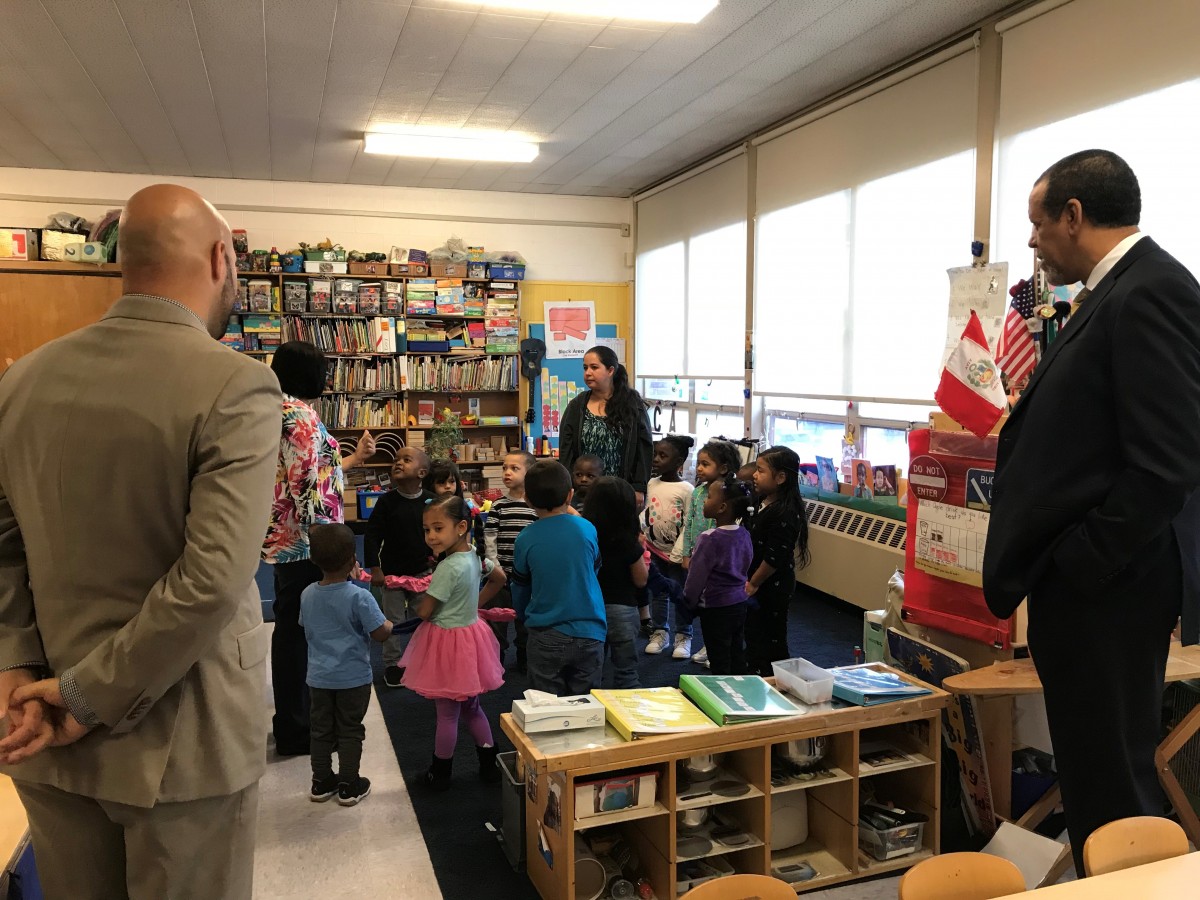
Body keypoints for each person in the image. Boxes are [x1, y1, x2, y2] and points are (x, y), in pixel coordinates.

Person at [0, 184, 280, 899]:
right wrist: (85, 696)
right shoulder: (237, 385)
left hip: (41, 729)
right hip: (185, 744)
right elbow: (213, 579)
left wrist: (15, 666)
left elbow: (3, 547)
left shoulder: (20, 383)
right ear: (221, 258)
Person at [983, 149, 1200, 874]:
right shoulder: (1114, 292)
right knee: (1091, 769)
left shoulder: (1152, 291)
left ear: (1075, 216)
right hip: (1094, 583)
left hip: (1110, 586)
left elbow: (1169, 459)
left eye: (1039, 225)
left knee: (1111, 779)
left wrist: (1081, 562)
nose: (1035, 242)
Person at [262, 340, 376, 757]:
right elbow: (310, 488)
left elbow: (315, 474)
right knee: (299, 636)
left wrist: (350, 462)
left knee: (292, 630)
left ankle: (294, 723)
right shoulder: (301, 417)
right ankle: (297, 728)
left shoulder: (279, 410)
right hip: (308, 545)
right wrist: (334, 549)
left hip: (288, 539)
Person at [400, 496, 506, 790]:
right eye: (426, 530)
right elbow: (499, 578)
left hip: (447, 644)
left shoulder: (448, 568)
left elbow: (425, 610)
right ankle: (489, 764)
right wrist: (475, 604)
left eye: (437, 528)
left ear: (461, 527)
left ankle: (440, 772)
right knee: (472, 707)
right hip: (471, 638)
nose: (431, 536)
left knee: (446, 714)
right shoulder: (475, 555)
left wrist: (417, 600)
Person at [300, 524, 392, 806]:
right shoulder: (359, 596)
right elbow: (380, 632)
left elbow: (305, 626)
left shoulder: (306, 594)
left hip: (318, 678)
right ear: (354, 560)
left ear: (313, 560)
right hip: (353, 678)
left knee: (321, 730)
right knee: (350, 729)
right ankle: (349, 783)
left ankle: (321, 781)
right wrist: (389, 623)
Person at [510, 461, 607, 695]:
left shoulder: (525, 538)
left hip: (545, 632)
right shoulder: (586, 528)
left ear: (527, 500)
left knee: (546, 705)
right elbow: (594, 569)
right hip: (590, 631)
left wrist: (523, 615)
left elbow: (520, 587)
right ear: (570, 495)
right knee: (586, 704)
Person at [365, 447, 436, 688]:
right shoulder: (387, 502)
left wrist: (439, 559)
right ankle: (392, 664)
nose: (398, 463)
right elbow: (372, 536)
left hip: (423, 572)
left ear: (422, 472)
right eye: (396, 460)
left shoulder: (430, 501)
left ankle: (420, 659)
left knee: (423, 618)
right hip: (392, 575)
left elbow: (439, 533)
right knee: (393, 621)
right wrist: (375, 568)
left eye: (406, 460)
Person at [673, 440, 745, 667]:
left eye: (706, 464)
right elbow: (690, 522)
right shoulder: (698, 493)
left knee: (715, 611)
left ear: (723, 468)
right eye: (699, 463)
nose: (699, 468)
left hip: (717, 563)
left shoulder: (731, 496)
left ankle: (713, 647)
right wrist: (686, 554)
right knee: (702, 603)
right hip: (698, 556)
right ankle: (696, 639)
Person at [746, 446, 811, 677]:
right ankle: (756, 671)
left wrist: (753, 582)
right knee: (754, 632)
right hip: (758, 580)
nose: (754, 474)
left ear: (781, 477)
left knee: (771, 635)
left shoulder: (785, 512)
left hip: (772, 584)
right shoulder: (763, 501)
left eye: (761, 471)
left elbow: (774, 558)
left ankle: (775, 679)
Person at [558, 345, 654, 502]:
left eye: (594, 367)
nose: (588, 373)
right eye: (585, 367)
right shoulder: (578, 405)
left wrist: (639, 487)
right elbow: (566, 449)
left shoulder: (631, 404)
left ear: (610, 371)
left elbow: (644, 448)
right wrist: (567, 485)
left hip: (621, 490)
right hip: (583, 494)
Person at [683, 476, 754, 675]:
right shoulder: (744, 533)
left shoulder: (709, 538)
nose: (704, 501)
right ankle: (741, 688)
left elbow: (696, 578)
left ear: (722, 507)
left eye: (709, 497)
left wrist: (688, 602)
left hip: (716, 607)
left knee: (719, 656)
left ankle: (721, 696)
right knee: (736, 650)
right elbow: (747, 562)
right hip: (739, 603)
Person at [583, 477, 649, 688]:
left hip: (590, 609)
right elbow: (641, 580)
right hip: (622, 610)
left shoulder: (585, 538)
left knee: (591, 671)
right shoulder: (629, 541)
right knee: (626, 672)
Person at [483, 450, 540, 671]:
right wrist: (493, 566)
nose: (507, 472)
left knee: (525, 619)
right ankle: (496, 658)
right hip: (500, 575)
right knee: (496, 618)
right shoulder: (498, 505)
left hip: (528, 576)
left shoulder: (535, 506)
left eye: (514, 468)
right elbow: (490, 537)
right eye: (505, 468)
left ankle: (525, 655)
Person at [642, 436, 696, 659]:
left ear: (679, 462)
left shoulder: (687, 489)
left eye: (663, 456)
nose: (656, 459)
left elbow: (689, 522)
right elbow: (647, 512)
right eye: (655, 454)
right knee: (657, 592)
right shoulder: (652, 483)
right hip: (653, 550)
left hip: (676, 554)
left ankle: (683, 635)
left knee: (681, 594)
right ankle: (659, 632)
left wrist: (680, 552)